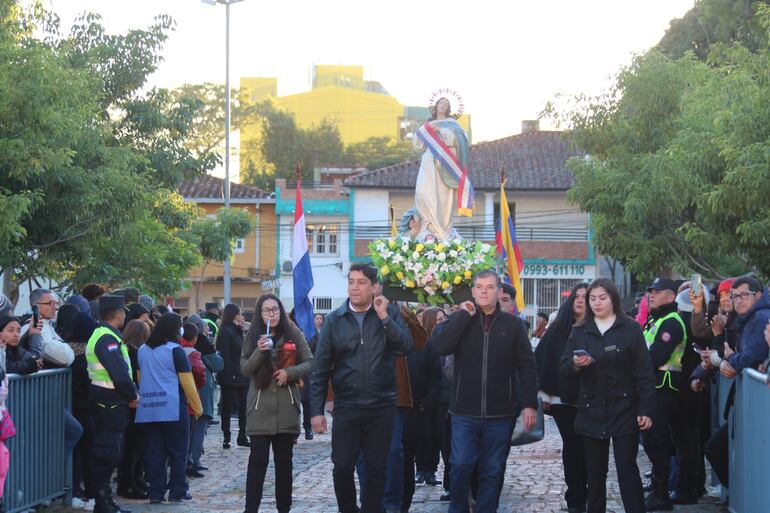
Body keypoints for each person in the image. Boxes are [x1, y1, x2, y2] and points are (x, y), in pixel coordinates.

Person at [431, 269, 538, 513]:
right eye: (479, 287)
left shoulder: (513, 325)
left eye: (489, 287)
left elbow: (527, 366)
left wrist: (529, 404)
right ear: (472, 291)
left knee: (492, 469)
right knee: (460, 464)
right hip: (464, 411)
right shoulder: (462, 321)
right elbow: (440, 346)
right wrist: (461, 317)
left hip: (501, 413)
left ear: (499, 291)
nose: (484, 292)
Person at [310, 263, 414, 513]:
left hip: (382, 406)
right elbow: (321, 368)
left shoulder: (388, 313)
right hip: (348, 406)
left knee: (377, 468)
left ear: (374, 287)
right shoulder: (335, 319)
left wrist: (384, 317)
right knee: (343, 466)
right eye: (351, 282)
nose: (354, 288)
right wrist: (315, 411)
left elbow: (406, 347)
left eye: (361, 282)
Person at [560, 278, 656, 513]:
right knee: (594, 474)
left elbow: (644, 373)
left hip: (624, 407)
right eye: (592, 299)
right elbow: (563, 366)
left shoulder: (631, 328)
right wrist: (575, 363)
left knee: (626, 469)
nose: (597, 303)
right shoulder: (579, 330)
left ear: (613, 299)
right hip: (590, 409)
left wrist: (645, 409)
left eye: (602, 298)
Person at [240, 294, 313, 513]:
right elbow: (244, 369)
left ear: (281, 311)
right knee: (257, 464)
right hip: (259, 409)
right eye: (266, 310)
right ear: (260, 314)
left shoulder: (293, 334)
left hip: (286, 410)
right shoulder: (252, 336)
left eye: (275, 309)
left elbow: (310, 362)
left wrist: (289, 373)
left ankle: (284, 508)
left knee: (284, 466)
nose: (271, 313)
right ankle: (250, 509)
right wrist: (259, 352)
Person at [703, 276, 770, 488]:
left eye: (743, 295)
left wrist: (731, 357)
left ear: (757, 296)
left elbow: (749, 358)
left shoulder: (758, 318)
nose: (738, 300)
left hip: (757, 404)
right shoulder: (751, 317)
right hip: (751, 403)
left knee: (716, 449)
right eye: (734, 297)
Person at [135, 313, 202, 504]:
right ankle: (177, 490)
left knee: (154, 452)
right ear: (175, 330)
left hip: (148, 407)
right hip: (173, 407)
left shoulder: (142, 350)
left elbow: (141, 378)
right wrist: (197, 408)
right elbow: (187, 382)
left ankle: (155, 492)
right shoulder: (175, 350)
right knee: (178, 451)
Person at [535, 283, 589, 513]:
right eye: (576, 296)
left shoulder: (601, 328)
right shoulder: (558, 328)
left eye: (585, 297)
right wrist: (543, 395)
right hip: (562, 400)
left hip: (592, 399)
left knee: (591, 447)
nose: (579, 301)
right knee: (572, 445)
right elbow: (542, 361)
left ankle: (591, 492)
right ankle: (575, 497)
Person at [85, 295, 138, 513]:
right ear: (118, 313)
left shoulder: (106, 335)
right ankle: (102, 502)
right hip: (108, 403)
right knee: (107, 453)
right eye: (123, 312)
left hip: (109, 402)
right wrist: (132, 395)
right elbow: (119, 373)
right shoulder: (106, 338)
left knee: (110, 452)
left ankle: (105, 500)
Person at [639, 277, 689, 511]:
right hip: (653, 387)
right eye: (651, 291)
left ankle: (661, 494)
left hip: (664, 387)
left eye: (657, 292)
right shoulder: (656, 320)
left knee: (658, 440)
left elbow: (656, 356)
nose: (652, 295)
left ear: (670, 296)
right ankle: (659, 489)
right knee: (652, 439)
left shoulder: (671, 322)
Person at [412, 96, 473, 241]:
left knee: (443, 198)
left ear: (449, 109)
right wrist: (426, 129)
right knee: (422, 193)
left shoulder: (453, 125)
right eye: (441, 103)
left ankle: (443, 230)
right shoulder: (427, 125)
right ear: (436, 105)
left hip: (445, 166)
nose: (443, 106)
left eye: (446, 104)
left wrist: (441, 129)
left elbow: (461, 140)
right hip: (428, 163)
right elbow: (418, 144)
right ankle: (427, 226)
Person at [402, 307, 443, 513]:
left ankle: (403, 502)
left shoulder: (424, 346)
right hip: (389, 411)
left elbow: (435, 376)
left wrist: (427, 400)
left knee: (415, 449)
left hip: (418, 408)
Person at [116, 320, 151, 500]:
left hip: (131, 400)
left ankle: (134, 479)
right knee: (133, 447)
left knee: (135, 446)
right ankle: (128, 483)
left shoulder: (126, 350)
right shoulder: (135, 353)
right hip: (134, 401)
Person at [187, 314, 222, 472]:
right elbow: (218, 365)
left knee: (189, 427)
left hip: (187, 390)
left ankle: (189, 458)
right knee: (200, 424)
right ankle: (195, 459)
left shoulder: (180, 344)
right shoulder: (204, 344)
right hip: (201, 388)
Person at [216, 303, 250, 448]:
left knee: (244, 406)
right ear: (234, 314)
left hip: (242, 374)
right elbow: (226, 355)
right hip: (230, 375)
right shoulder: (225, 331)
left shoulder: (237, 331)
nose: (241, 316)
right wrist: (229, 375)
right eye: (239, 313)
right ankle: (226, 436)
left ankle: (242, 435)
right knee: (227, 406)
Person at [179, 322, 207, 478]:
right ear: (195, 338)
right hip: (190, 397)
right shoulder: (192, 352)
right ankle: (188, 464)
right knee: (188, 435)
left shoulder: (177, 347)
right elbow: (199, 372)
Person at [300, 312, 325, 440]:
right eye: (317, 318)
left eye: (321, 318)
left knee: (308, 401)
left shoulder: (324, 331)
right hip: (302, 369)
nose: (319, 320)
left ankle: (308, 428)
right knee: (299, 400)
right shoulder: (307, 332)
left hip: (314, 369)